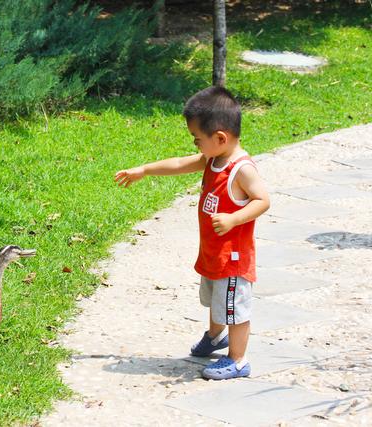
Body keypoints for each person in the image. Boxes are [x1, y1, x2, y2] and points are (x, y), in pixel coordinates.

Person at [114, 86, 270, 380]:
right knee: (215, 300)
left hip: (234, 259)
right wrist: (144, 170)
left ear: (220, 138)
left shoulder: (242, 170)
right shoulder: (213, 158)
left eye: (198, 139)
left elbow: (263, 200)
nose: (196, 145)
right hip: (213, 253)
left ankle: (238, 359)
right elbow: (179, 163)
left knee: (235, 309)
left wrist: (234, 218)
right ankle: (214, 337)